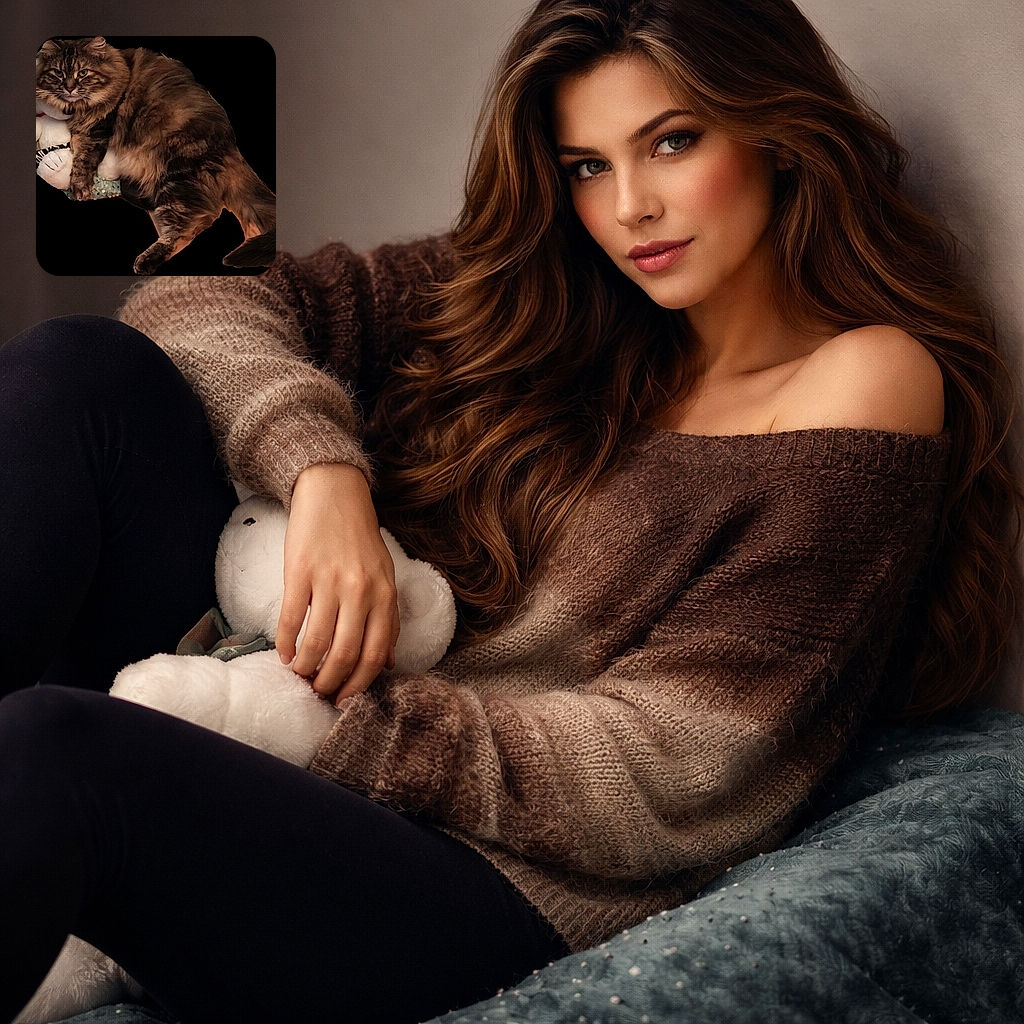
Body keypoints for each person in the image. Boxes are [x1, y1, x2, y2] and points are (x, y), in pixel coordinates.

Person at [2, 0, 1019, 1021]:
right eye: (587, 165)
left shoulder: (862, 380)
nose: (629, 208)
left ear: (776, 134)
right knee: (80, 368)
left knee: (53, 749)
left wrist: (314, 715)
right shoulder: (550, 299)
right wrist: (323, 474)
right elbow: (193, 301)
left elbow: (676, 767)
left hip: (483, 882)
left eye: (670, 143)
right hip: (279, 709)